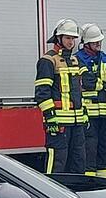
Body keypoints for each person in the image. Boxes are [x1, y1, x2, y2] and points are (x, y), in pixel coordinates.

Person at [35, 18, 93, 174]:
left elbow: (82, 89)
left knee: (79, 160)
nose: (71, 42)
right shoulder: (48, 61)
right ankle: (51, 192)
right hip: (58, 122)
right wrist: (50, 117)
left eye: (73, 38)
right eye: (67, 38)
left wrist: (84, 112)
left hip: (77, 123)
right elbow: (42, 93)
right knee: (57, 161)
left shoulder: (75, 60)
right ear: (58, 38)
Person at [76, 24, 106, 177]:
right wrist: (103, 83)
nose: (98, 44)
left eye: (99, 42)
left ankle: (104, 179)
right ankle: (89, 179)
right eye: (95, 42)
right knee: (90, 146)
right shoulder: (77, 59)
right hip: (89, 111)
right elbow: (87, 82)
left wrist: (98, 83)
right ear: (86, 43)